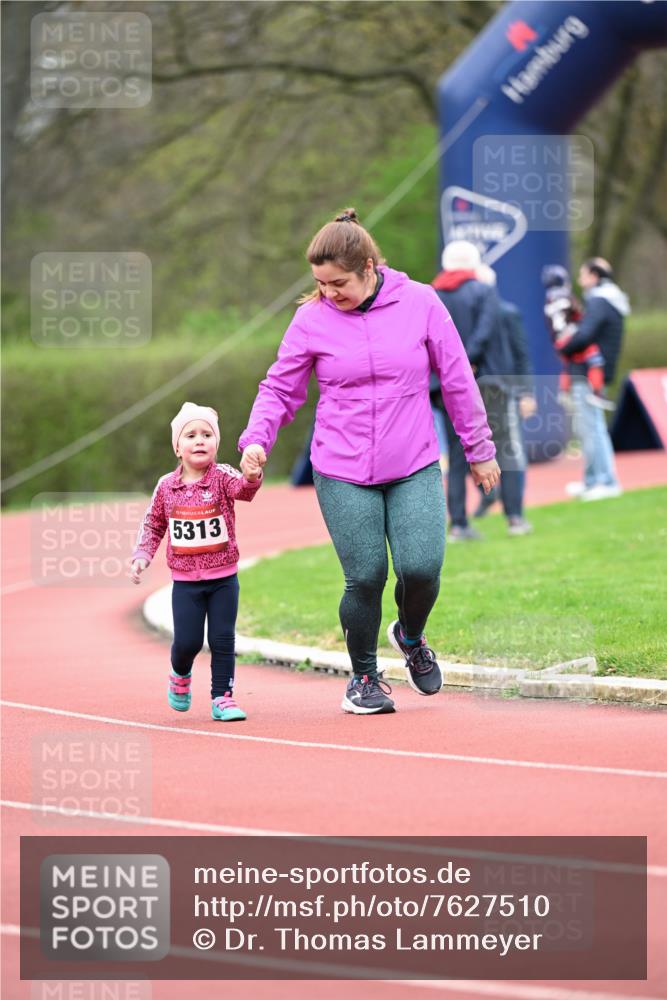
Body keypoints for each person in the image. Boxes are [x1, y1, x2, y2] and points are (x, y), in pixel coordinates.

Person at [239, 209, 499, 715]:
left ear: (368, 267)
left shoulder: (421, 302)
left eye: (337, 283)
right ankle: (363, 678)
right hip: (341, 466)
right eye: (319, 283)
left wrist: (479, 448)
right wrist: (257, 440)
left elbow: (458, 376)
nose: (328, 293)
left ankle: (410, 634)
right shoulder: (311, 319)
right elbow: (279, 388)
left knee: (421, 568)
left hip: (414, 460)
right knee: (366, 575)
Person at [131, 402, 262, 721]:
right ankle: (179, 673)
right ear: (178, 447)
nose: (200, 440)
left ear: (216, 443)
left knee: (222, 639)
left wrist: (252, 475)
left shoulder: (223, 476)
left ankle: (223, 697)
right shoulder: (166, 487)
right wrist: (142, 555)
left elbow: (244, 490)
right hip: (186, 583)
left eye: (207, 434)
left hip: (224, 579)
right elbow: (154, 524)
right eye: (191, 435)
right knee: (188, 642)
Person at [431, 241, 508, 541]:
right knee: (484, 444)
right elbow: (485, 331)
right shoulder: (482, 291)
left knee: (454, 452)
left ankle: (459, 522)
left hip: (439, 384)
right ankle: (491, 494)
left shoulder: (433, 293)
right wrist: (465, 365)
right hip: (477, 381)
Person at [558, 258, 630, 500]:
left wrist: (564, 346)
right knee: (588, 428)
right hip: (595, 374)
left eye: (583, 274)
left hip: (589, 374)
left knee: (593, 429)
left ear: (594, 276)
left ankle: (606, 481)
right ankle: (591, 481)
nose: (580, 280)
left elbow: (584, 335)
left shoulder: (600, 301)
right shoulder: (610, 299)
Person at [472, 264, 536, 535]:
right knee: (477, 451)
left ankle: (514, 516)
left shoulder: (507, 313)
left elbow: (521, 355)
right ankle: (495, 502)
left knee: (509, 453)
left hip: (501, 391)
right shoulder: (466, 317)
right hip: (475, 393)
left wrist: (525, 393)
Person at [541, 264, 611, 409]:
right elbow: (579, 313)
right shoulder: (566, 296)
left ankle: (563, 391)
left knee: (567, 366)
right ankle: (597, 392)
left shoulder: (548, 302)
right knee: (595, 359)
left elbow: (549, 324)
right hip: (570, 336)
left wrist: (557, 340)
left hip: (559, 340)